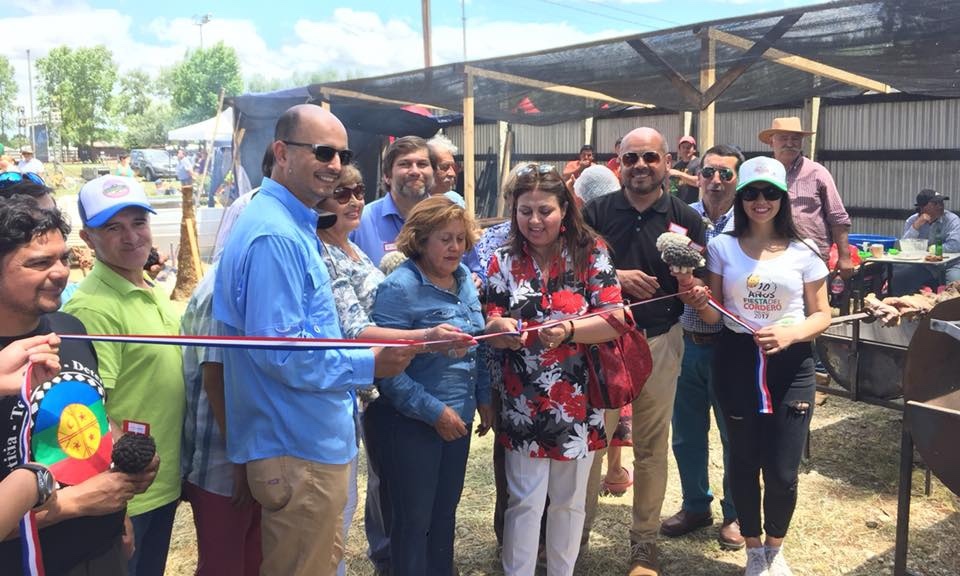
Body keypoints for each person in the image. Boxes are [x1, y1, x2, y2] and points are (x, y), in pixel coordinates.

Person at [213, 104, 414, 576]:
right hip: (297, 446)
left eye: (342, 155)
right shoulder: (276, 236)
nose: (336, 166)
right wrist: (369, 364)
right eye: (323, 152)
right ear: (281, 153)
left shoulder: (289, 225)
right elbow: (281, 355)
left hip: (304, 440)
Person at [0, 194, 157, 574]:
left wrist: (117, 501)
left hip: (102, 552)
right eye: (39, 263)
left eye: (63, 258)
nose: (60, 273)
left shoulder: (70, 329)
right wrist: (72, 505)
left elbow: (88, 416)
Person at [689, 156, 831, 576]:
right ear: (740, 197)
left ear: (783, 199)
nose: (760, 201)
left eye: (770, 193)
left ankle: (775, 548)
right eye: (751, 192)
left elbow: (823, 313)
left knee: (784, 470)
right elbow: (715, 315)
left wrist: (790, 334)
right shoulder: (721, 247)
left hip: (792, 366)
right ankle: (753, 549)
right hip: (736, 362)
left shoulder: (805, 250)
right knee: (744, 461)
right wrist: (698, 301)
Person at [485, 163, 625, 576]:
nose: (534, 220)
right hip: (523, 399)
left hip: (580, 398)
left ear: (565, 208)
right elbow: (491, 320)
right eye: (524, 211)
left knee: (569, 500)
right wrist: (499, 328)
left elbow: (615, 318)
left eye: (544, 210)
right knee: (524, 499)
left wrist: (569, 329)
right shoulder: (503, 260)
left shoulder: (591, 252)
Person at [581, 127, 706, 576]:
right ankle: (575, 538)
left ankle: (644, 545)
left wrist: (696, 291)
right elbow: (574, 272)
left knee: (651, 447)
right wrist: (617, 276)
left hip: (661, 340)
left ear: (667, 162)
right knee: (591, 446)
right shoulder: (594, 213)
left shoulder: (686, 219)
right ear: (618, 162)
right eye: (630, 158)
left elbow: (696, 276)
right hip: (602, 343)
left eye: (649, 157)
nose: (640, 166)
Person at [63, 176, 183, 576]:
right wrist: (116, 507)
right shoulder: (94, 308)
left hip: (159, 485)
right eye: (113, 227)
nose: (131, 237)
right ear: (88, 238)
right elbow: (86, 412)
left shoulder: (148, 287)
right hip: (128, 495)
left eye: (138, 222)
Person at [371, 195, 488, 576]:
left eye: (460, 238)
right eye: (445, 238)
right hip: (414, 423)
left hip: (460, 420)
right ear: (421, 240)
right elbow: (387, 370)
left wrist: (484, 399)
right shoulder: (399, 287)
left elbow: (477, 344)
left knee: (444, 515)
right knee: (412, 521)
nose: (456, 247)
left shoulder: (465, 279)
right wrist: (435, 412)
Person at [660, 144, 744, 550]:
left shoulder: (749, 222)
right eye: (709, 172)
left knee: (734, 434)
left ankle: (737, 512)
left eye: (726, 174)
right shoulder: (681, 218)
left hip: (730, 345)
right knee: (686, 432)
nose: (715, 181)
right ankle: (696, 504)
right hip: (685, 341)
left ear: (738, 180)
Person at [180, 196, 262, 576]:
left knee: (252, 561)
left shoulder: (248, 280)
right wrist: (242, 460)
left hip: (247, 455)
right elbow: (216, 379)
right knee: (224, 566)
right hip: (223, 462)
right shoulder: (223, 288)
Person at [759, 117, 853, 280]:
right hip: (770, 254)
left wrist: (844, 256)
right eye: (783, 138)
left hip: (812, 257)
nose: (790, 143)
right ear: (771, 142)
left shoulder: (817, 172)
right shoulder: (761, 174)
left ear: (801, 142)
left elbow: (838, 217)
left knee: (813, 304)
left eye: (795, 138)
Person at [352, 135, 436, 268]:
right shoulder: (361, 220)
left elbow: (471, 267)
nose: (415, 171)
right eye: (405, 164)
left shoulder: (449, 218)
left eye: (422, 164)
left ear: (433, 172)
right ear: (387, 176)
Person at [895, 188, 960, 292]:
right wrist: (916, 226)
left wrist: (932, 250)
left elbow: (955, 245)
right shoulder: (913, 220)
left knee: (955, 286)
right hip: (925, 265)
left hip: (951, 264)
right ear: (923, 207)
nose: (940, 206)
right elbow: (904, 246)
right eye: (935, 203)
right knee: (900, 277)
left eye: (941, 202)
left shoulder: (952, 220)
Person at [427, 134, 465, 206]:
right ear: (428, 168)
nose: (452, 174)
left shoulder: (455, 200)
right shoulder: (413, 201)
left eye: (453, 167)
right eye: (445, 167)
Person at [668, 135, 700, 204]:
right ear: (679, 150)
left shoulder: (698, 163)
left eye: (688, 147)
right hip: (678, 205)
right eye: (683, 147)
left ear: (694, 149)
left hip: (692, 205)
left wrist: (679, 174)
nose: (686, 150)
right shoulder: (677, 165)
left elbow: (698, 181)